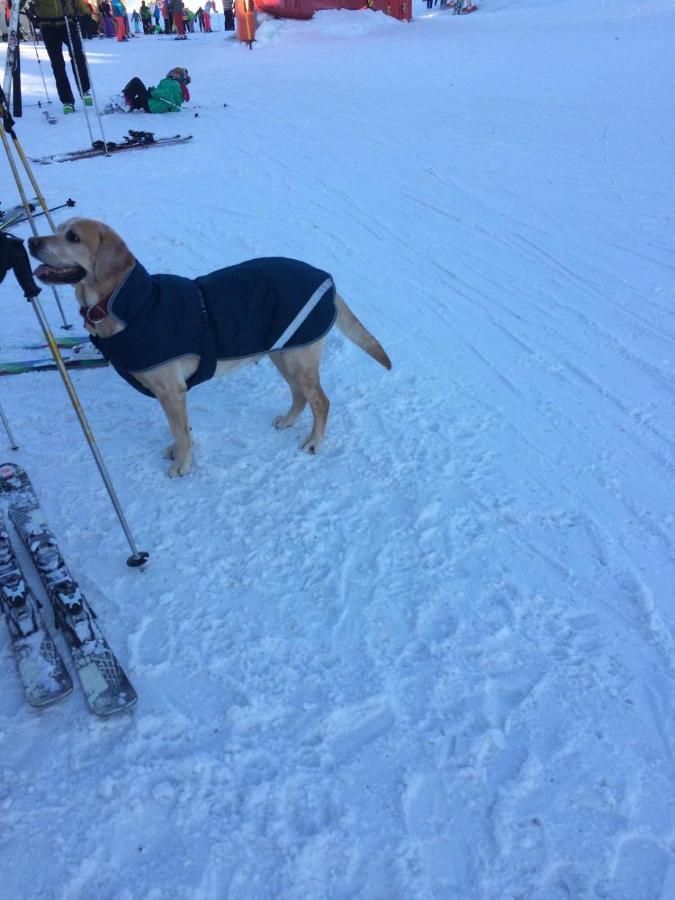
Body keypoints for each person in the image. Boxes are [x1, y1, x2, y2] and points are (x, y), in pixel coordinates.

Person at [31, 0, 93, 113]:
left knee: (78, 56)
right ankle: (67, 100)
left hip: (68, 22)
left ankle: (84, 90)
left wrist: (85, 11)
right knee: (57, 63)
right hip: (47, 25)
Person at [121, 65, 190, 112]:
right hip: (156, 105)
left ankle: (127, 101)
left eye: (172, 73)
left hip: (153, 106)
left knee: (136, 81)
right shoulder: (179, 88)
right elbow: (169, 97)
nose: (170, 74)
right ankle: (131, 105)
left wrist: (152, 92)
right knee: (141, 98)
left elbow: (164, 93)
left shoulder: (172, 83)